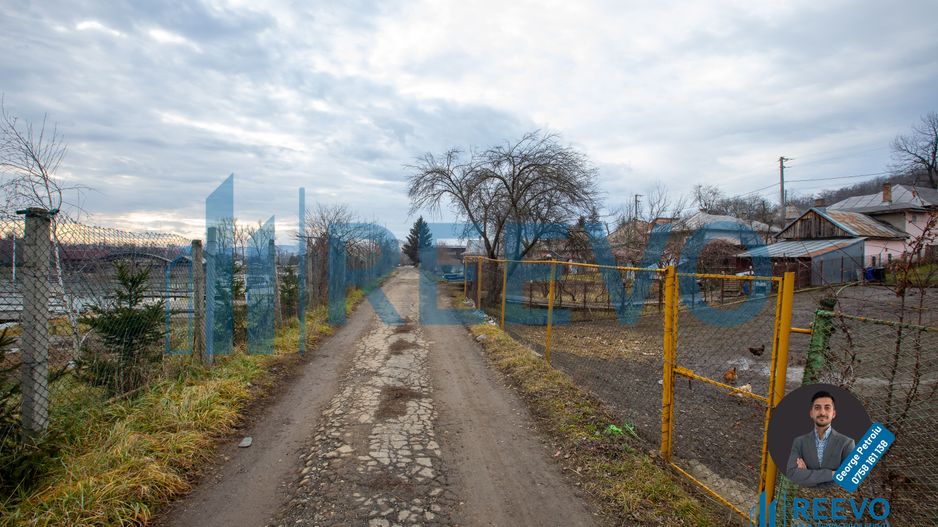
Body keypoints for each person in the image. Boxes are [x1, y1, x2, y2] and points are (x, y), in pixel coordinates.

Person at [785, 390, 856, 487]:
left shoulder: (847, 443)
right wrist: (833, 474)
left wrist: (806, 475)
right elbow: (792, 474)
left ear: (834, 414)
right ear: (811, 413)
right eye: (817, 408)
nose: (822, 412)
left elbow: (848, 478)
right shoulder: (799, 442)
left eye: (827, 408)